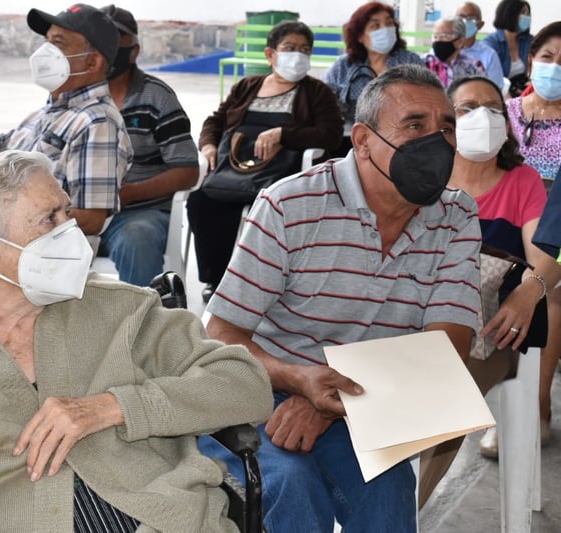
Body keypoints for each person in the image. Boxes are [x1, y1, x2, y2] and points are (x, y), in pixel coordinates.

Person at [0, 150, 273, 532]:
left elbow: (245, 384)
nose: (73, 232)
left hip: (160, 518)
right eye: (49, 219)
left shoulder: (120, 311)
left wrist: (115, 406)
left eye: (67, 212)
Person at [197, 64, 481, 532]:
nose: (439, 142)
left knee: (387, 491)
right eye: (415, 125)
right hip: (262, 388)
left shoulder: (455, 216)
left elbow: (448, 347)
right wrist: (298, 378)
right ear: (364, 140)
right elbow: (222, 333)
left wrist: (327, 399)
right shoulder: (290, 206)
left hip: (364, 397)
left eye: (446, 127)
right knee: (291, 486)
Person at [418, 76, 561, 503]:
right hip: (410, 322)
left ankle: (405, 514)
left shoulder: (522, 183)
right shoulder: (423, 179)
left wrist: (529, 288)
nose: (482, 116)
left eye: (492, 107)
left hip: (488, 333)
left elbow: (546, 259)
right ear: (445, 122)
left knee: (448, 402)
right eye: (466, 108)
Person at [0, 3, 131, 236]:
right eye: (47, 41)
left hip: (44, 258)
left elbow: (91, 217)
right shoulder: (45, 113)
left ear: (92, 62)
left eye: (58, 43)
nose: (46, 51)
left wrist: (15, 222)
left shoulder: (97, 122)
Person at [188, 20, 343, 303]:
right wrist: (209, 144)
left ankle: (262, 283)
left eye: (304, 49)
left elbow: (330, 134)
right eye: (289, 48)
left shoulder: (317, 92)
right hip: (232, 171)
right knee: (201, 202)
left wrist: (284, 134)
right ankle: (216, 279)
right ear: (270, 55)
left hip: (281, 176)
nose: (298, 55)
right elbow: (216, 120)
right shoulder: (247, 86)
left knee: (267, 208)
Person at [484, 21, 561, 455]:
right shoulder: (504, 113)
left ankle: (535, 405)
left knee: (549, 288)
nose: (555, 68)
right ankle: (482, 406)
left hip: (555, 227)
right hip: (503, 218)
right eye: (548, 57)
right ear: (532, 59)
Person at [95, 5, 199, 286]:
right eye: (100, 37)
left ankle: (142, 327)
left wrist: (130, 194)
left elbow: (188, 170)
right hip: (82, 211)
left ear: (134, 50)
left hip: (140, 213)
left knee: (136, 239)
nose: (108, 47)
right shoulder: (74, 94)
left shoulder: (157, 97)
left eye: (116, 39)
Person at [322, 1, 423, 155]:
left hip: (401, 139)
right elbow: (324, 102)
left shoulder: (410, 62)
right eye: (375, 26)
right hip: (351, 141)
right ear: (360, 36)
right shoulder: (344, 65)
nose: (385, 30)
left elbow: (425, 102)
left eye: (389, 23)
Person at [483, 0, 533, 97]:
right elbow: (492, 80)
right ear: (509, 15)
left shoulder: (529, 40)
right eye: (523, 13)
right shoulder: (490, 43)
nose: (527, 17)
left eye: (528, 14)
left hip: (523, 92)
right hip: (499, 94)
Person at [423, 16, 487, 89]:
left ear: (460, 42)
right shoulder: (423, 64)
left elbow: (483, 93)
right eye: (435, 36)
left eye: (444, 36)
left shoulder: (473, 67)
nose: (438, 40)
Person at [455, 2, 505, 90]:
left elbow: (496, 89)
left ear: (480, 25)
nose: (465, 21)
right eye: (461, 17)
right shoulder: (445, 50)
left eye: (470, 18)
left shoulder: (489, 55)